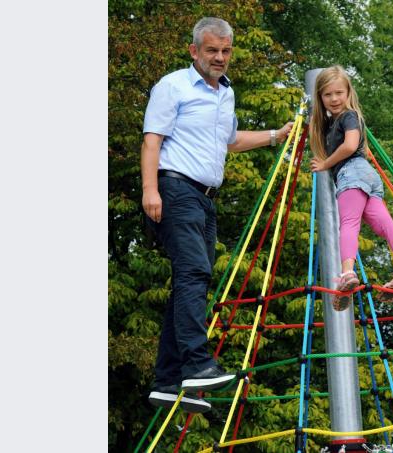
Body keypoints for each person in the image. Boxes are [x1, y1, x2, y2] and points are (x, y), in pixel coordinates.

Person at [140, 17, 294, 413]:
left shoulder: (226, 94)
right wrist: (150, 190)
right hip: (175, 189)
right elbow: (152, 139)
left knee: (190, 281)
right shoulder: (173, 86)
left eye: (226, 51)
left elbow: (231, 142)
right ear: (195, 51)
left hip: (206, 198)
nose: (220, 58)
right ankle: (197, 364)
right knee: (194, 272)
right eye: (212, 50)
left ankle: (168, 380)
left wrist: (277, 135)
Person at [309, 65, 393, 311]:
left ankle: (347, 274)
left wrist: (325, 163)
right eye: (328, 94)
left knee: (348, 224)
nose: (335, 99)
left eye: (339, 92)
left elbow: (350, 146)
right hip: (368, 176)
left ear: (348, 93)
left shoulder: (349, 116)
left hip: (352, 173)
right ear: (320, 98)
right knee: (385, 224)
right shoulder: (335, 122)